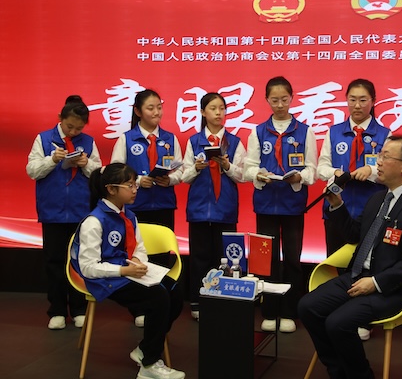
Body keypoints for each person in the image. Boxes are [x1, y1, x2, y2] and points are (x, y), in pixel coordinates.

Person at [298, 135, 402, 379]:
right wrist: (337, 205)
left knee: (338, 323)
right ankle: (338, 372)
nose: (378, 162)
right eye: (379, 155)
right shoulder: (377, 198)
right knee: (308, 307)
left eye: (385, 156)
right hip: (357, 275)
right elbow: (355, 234)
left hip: (390, 287)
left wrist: (375, 282)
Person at [71, 163, 185, 379]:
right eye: (130, 185)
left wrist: (137, 261)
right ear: (111, 189)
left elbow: (139, 247)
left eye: (135, 185)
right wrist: (124, 271)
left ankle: (144, 349)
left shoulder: (129, 215)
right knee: (158, 298)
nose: (135, 190)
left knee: (175, 291)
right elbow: (88, 267)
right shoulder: (94, 222)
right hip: (104, 277)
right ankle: (149, 365)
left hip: (126, 270)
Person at [316, 79, 390, 341]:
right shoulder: (334, 132)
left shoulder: (385, 134)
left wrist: (371, 171)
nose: (357, 105)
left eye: (363, 100)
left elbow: (390, 171)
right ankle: (337, 313)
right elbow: (321, 167)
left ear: (373, 102)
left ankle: (362, 318)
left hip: (372, 212)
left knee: (366, 268)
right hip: (337, 208)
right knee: (337, 263)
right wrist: (335, 173)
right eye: (352, 99)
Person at [243, 76, 317, 333]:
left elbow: (312, 170)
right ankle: (270, 311)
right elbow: (248, 167)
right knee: (266, 259)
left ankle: (289, 312)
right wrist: (258, 174)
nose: (280, 105)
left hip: (293, 204)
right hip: (265, 204)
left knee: (293, 259)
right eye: (274, 100)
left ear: (292, 98)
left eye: (284, 99)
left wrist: (300, 177)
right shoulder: (258, 131)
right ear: (266, 100)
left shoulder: (305, 131)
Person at [26, 95, 102, 330]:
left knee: (79, 261)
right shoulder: (44, 139)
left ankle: (79, 309)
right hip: (53, 211)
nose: (74, 132)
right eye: (70, 126)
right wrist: (52, 160)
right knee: (54, 262)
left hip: (81, 211)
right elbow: (31, 170)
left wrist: (86, 164)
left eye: (79, 128)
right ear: (60, 118)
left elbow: (99, 173)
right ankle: (57, 310)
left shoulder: (88, 141)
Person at [111, 89, 183, 327]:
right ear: (138, 111)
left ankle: (160, 305)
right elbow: (115, 172)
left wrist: (169, 179)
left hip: (163, 204)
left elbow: (181, 170)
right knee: (137, 256)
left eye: (159, 107)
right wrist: (138, 180)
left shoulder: (170, 138)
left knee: (161, 256)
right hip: (135, 207)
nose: (156, 112)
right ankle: (139, 308)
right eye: (150, 108)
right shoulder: (127, 139)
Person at [182, 92, 246, 320]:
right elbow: (184, 177)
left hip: (225, 209)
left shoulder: (234, 142)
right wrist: (196, 168)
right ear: (202, 112)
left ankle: (222, 302)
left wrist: (227, 166)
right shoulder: (193, 141)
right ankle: (198, 302)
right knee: (199, 258)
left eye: (222, 108)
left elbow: (243, 176)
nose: (218, 113)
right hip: (199, 210)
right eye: (213, 108)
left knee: (224, 259)